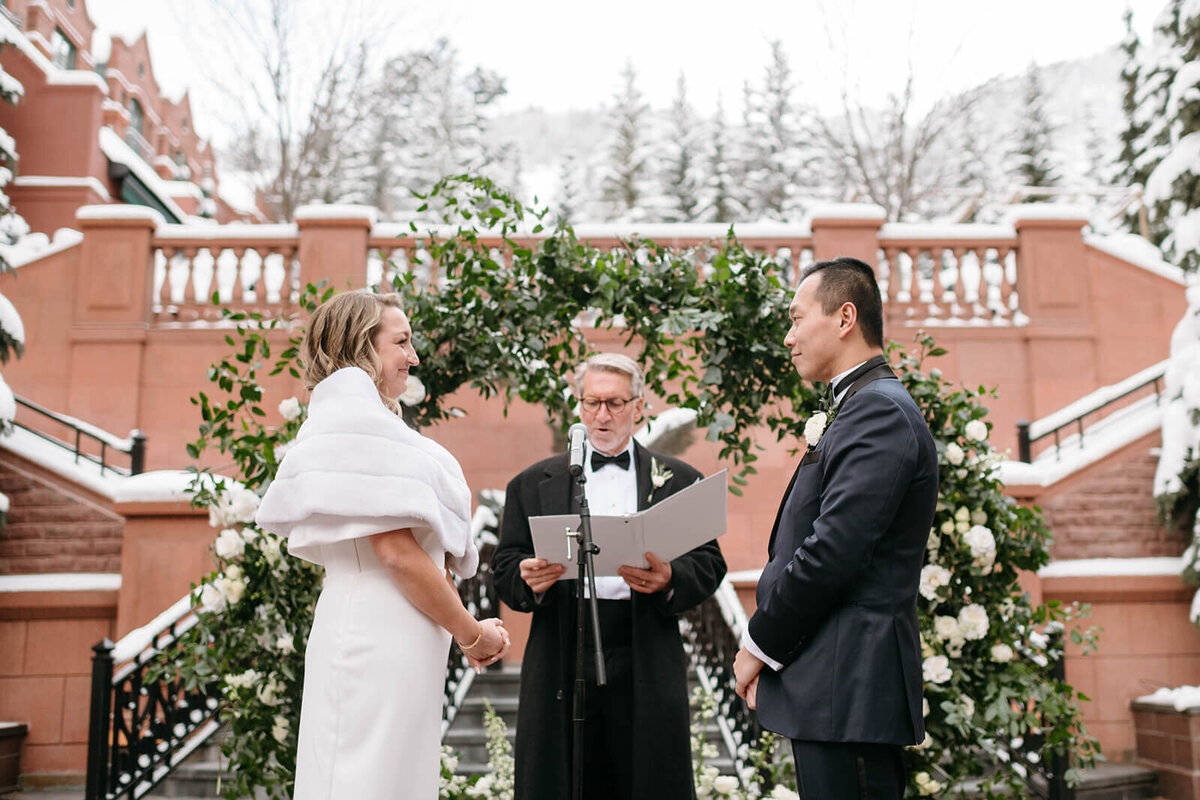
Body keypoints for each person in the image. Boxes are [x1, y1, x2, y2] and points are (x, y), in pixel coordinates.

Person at [255, 291, 509, 800]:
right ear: (361, 348)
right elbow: (394, 552)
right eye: (402, 342)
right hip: (375, 633)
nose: (414, 357)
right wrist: (471, 634)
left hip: (385, 631)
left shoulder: (354, 422)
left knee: (385, 778)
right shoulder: (357, 425)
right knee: (364, 779)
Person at [733, 257, 938, 800]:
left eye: (798, 319)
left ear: (845, 317)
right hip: (835, 688)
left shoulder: (879, 413)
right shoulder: (861, 407)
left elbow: (832, 552)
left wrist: (759, 642)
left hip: (852, 687)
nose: (788, 336)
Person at [492, 353, 727, 800]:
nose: (603, 415)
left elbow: (711, 562)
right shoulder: (530, 484)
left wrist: (671, 577)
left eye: (616, 403)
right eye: (593, 402)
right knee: (562, 775)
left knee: (646, 775)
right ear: (579, 406)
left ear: (639, 407)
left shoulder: (679, 479)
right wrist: (527, 579)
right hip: (563, 640)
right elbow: (504, 566)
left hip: (644, 643)